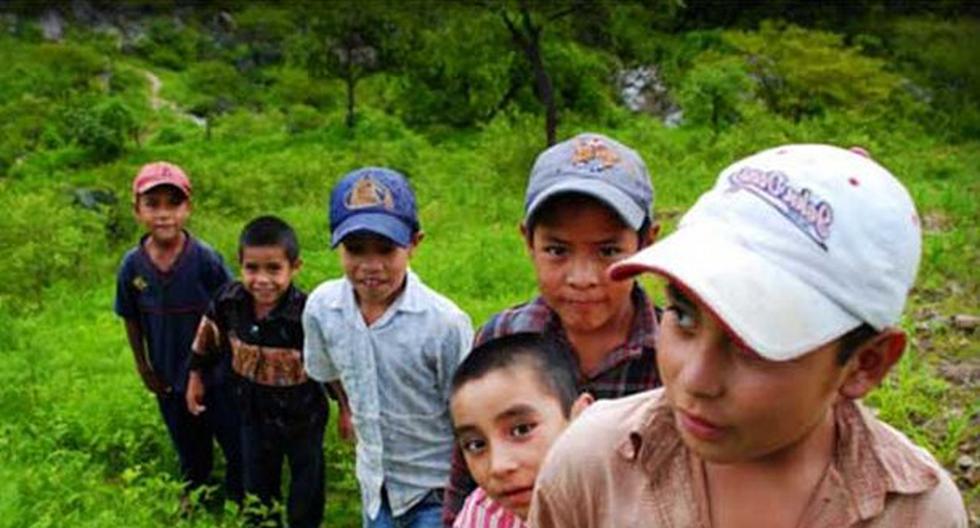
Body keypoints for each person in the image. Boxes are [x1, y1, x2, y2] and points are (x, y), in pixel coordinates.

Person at [528, 144, 969, 527]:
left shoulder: (918, 513)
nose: (696, 379)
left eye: (755, 343)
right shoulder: (592, 465)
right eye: (683, 315)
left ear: (864, 363)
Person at [443, 132, 662, 524]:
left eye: (608, 251)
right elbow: (464, 479)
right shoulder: (502, 337)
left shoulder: (674, 355)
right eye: (557, 250)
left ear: (646, 242)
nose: (581, 278)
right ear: (527, 241)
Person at [303, 167, 474, 528]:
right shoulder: (322, 309)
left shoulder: (443, 324)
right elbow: (329, 371)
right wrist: (348, 406)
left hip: (434, 490)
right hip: (374, 485)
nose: (370, 266)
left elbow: (469, 415)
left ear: (414, 243)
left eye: (385, 249)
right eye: (355, 250)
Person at [185, 215, 327, 528]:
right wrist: (195, 377)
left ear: (295, 267)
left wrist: (346, 408)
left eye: (274, 269)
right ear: (240, 265)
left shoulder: (307, 313)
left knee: (307, 482)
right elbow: (206, 337)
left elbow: (329, 365)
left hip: (304, 417)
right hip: (252, 412)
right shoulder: (229, 301)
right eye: (252, 268)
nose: (262, 279)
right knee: (258, 485)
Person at [114, 161, 242, 504]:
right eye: (152, 204)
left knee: (233, 438)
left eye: (174, 203)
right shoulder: (132, 266)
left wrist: (236, 364)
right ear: (136, 210)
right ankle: (195, 490)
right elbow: (131, 318)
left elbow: (233, 309)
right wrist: (144, 367)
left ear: (188, 207)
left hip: (216, 375)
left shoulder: (205, 259)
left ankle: (242, 498)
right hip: (169, 374)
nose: (164, 214)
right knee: (187, 442)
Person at [449, 332, 593, 528]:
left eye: (521, 430)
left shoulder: (636, 504)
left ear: (583, 417)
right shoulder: (483, 516)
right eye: (476, 445)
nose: (498, 467)